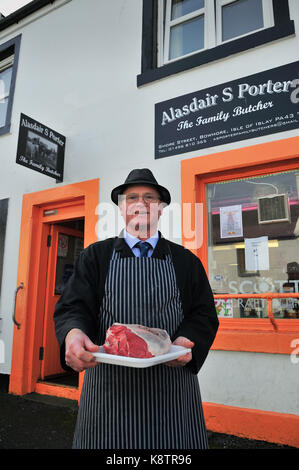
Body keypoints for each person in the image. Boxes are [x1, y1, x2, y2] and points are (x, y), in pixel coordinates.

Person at [54, 168, 219, 449]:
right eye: (132, 198)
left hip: (171, 387)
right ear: (121, 207)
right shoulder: (96, 256)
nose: (141, 204)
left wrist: (185, 341)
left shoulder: (185, 261)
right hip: (108, 389)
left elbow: (203, 313)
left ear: (161, 209)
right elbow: (73, 307)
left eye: (149, 198)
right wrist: (73, 334)